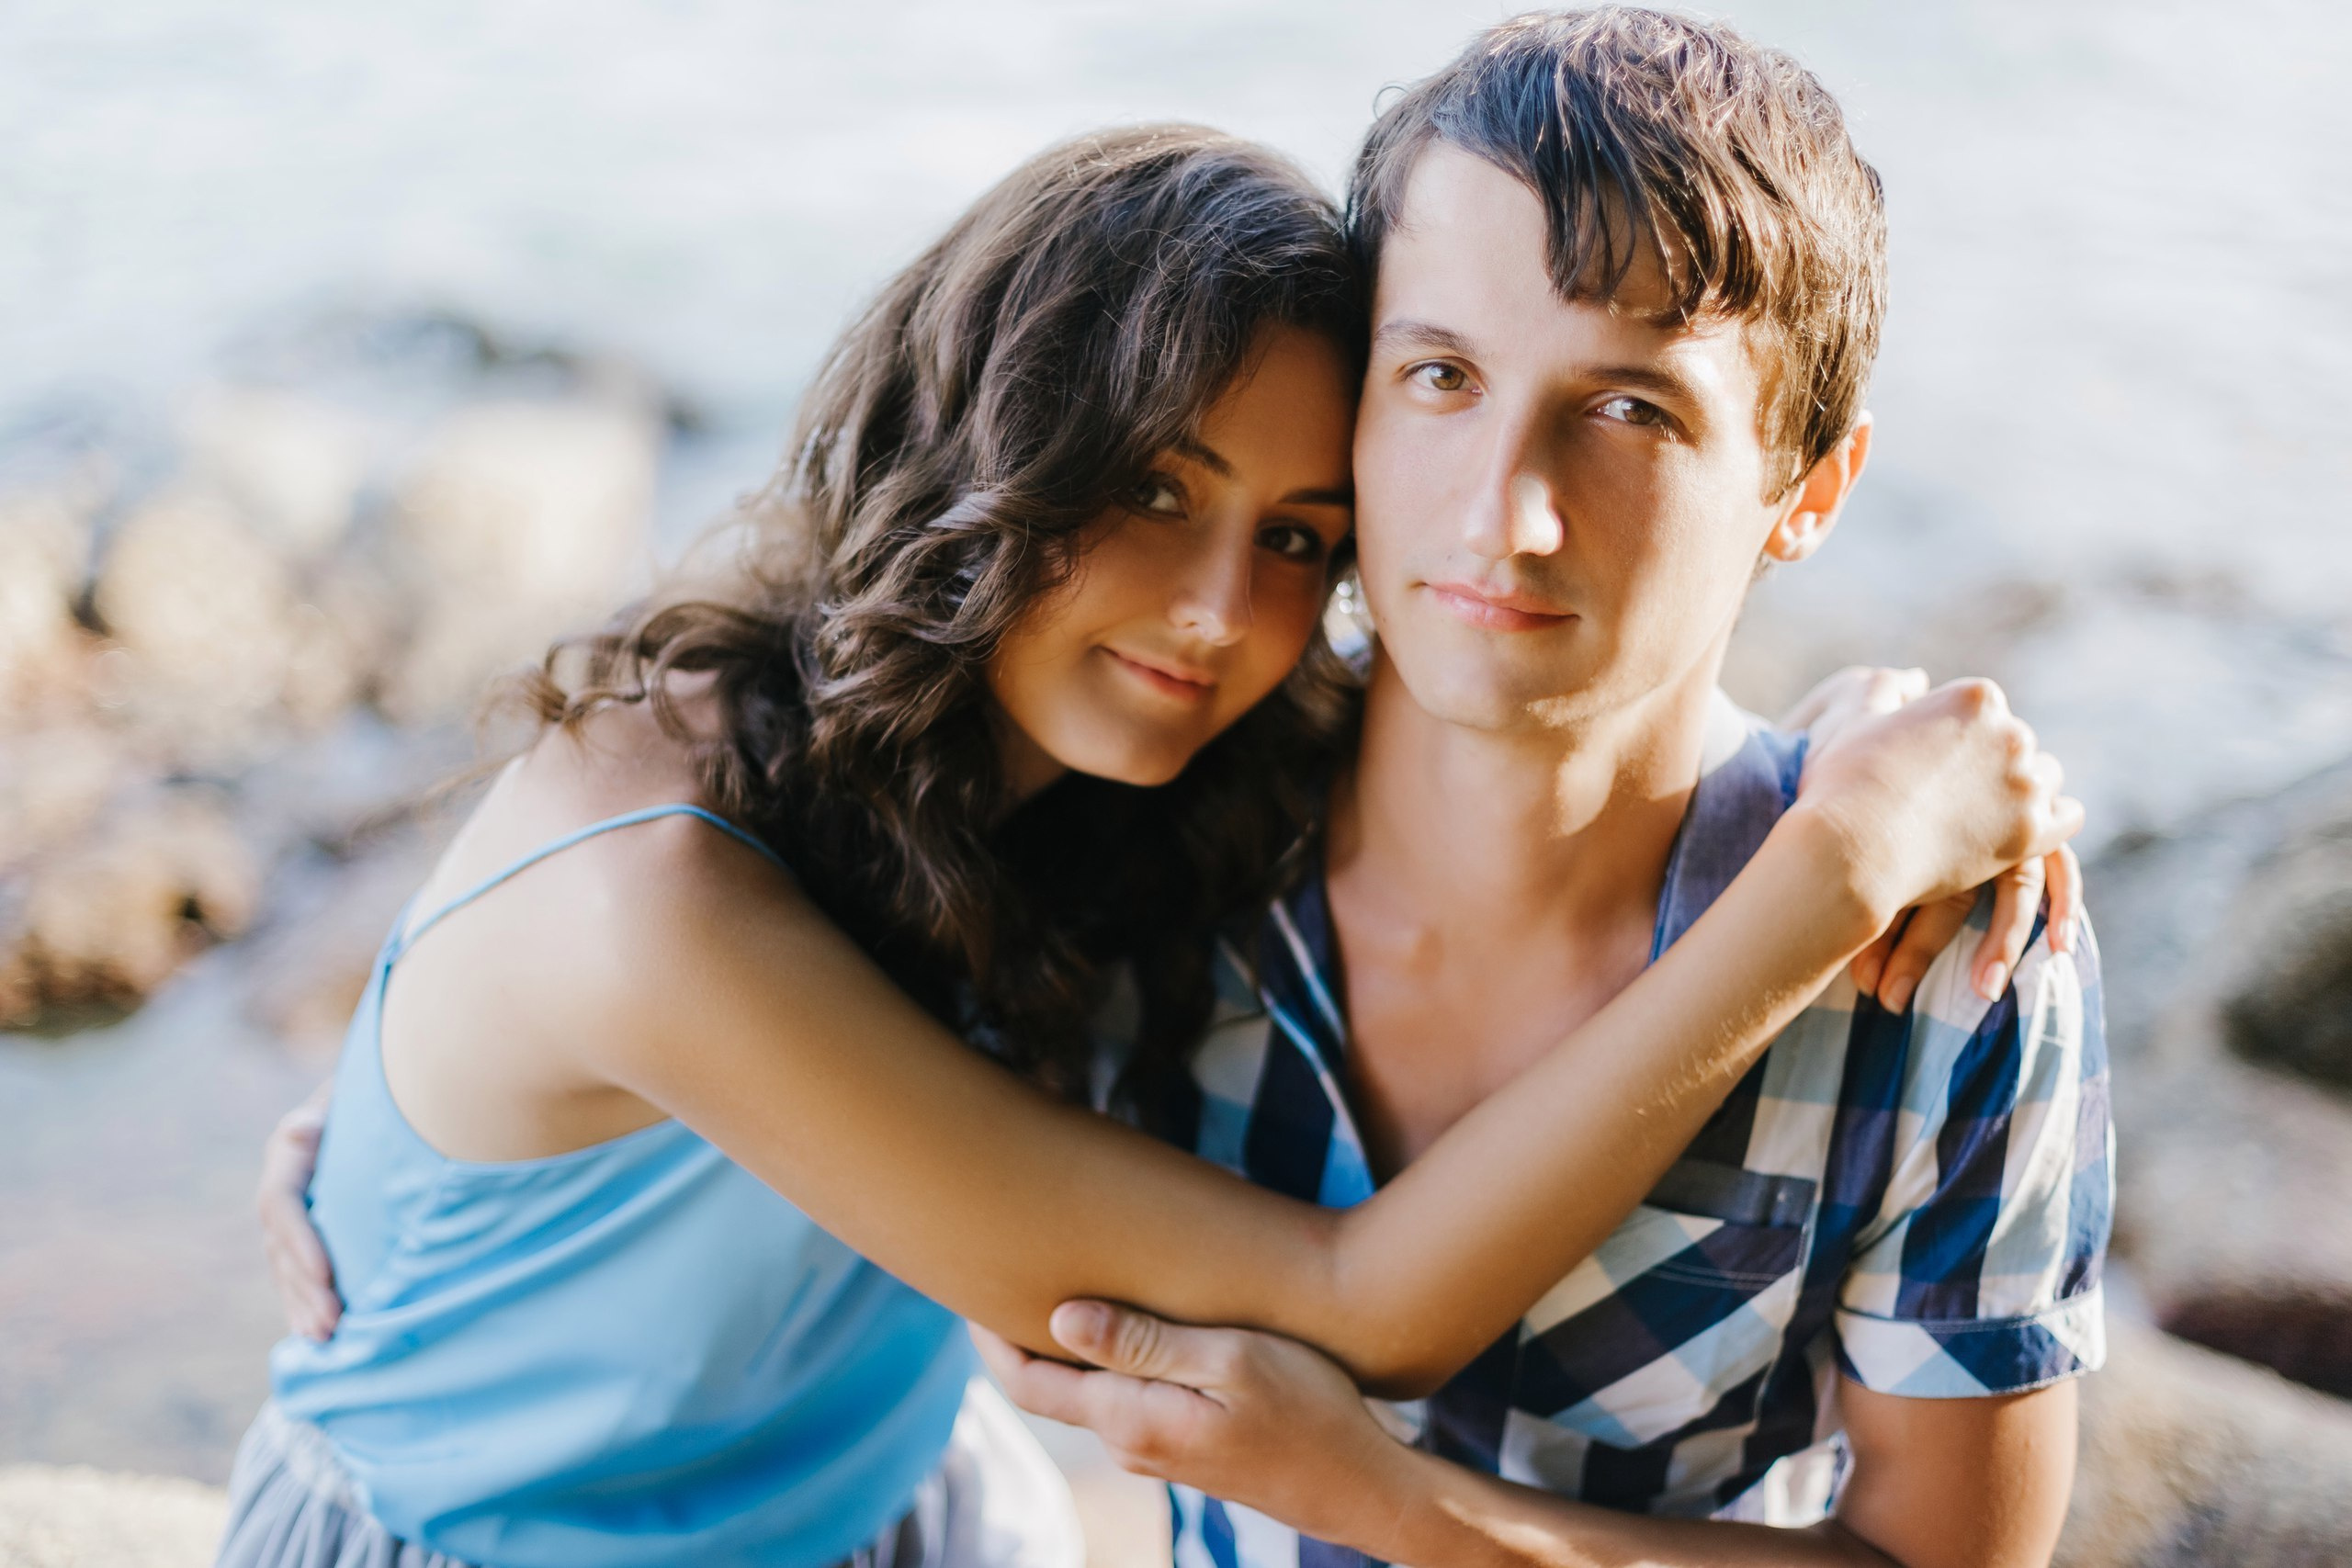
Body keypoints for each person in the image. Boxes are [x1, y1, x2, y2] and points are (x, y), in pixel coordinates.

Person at [236, 123, 2079, 1568]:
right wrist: (1824, 877)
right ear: (989, 452)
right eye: (1147, 492)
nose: (1213, 615)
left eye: (1294, 531)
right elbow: (1369, 1308)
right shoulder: (654, 884)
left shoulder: (1116, 779)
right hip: (483, 1535)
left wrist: (1833, 732)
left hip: (869, 1493)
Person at [974, 12, 2111, 1568]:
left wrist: (1380, 1504)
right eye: (1440, 374)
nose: (1504, 513)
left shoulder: (1951, 967)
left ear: (1810, 489)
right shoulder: (1145, 820)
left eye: (1633, 409)